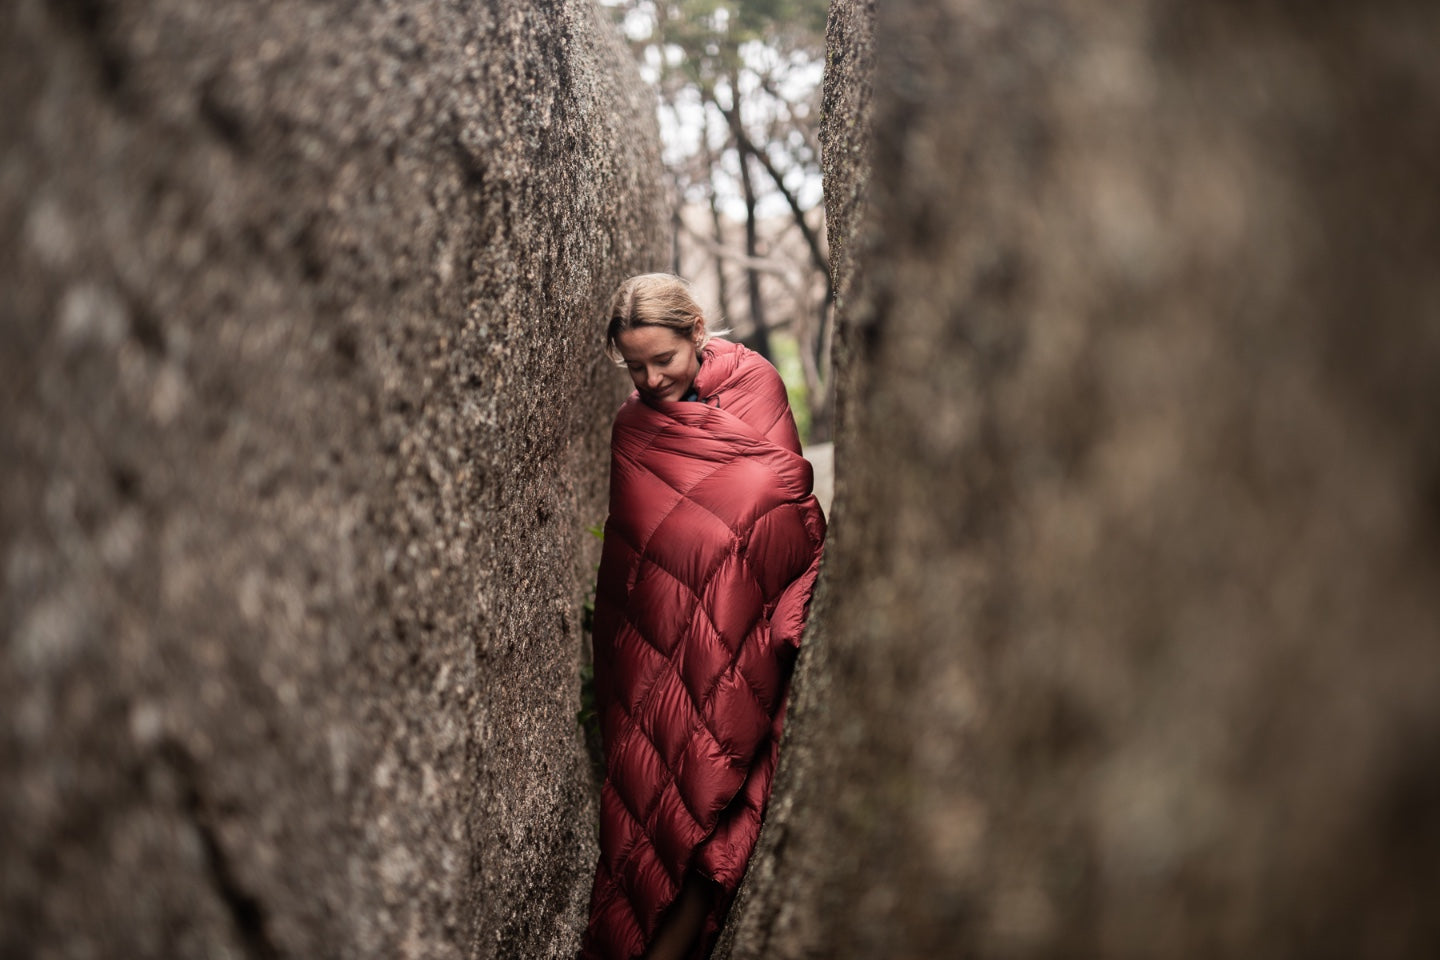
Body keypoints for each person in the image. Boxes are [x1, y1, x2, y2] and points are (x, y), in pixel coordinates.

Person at [580, 274, 826, 960]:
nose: (653, 378)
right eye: (635, 367)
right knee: (649, 809)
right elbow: (634, 555)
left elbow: (780, 499)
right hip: (653, 640)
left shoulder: (754, 385)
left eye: (665, 359)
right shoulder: (633, 426)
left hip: (738, 622)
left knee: (707, 801)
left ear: (697, 333)